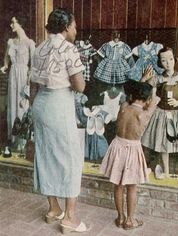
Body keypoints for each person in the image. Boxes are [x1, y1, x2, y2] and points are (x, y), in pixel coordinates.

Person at [30, 8, 90, 234]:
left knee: (45, 154)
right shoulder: (69, 49)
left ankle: (54, 209)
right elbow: (79, 86)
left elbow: (33, 85)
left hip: (40, 105)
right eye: (74, 26)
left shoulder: (39, 48)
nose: (75, 30)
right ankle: (70, 218)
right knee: (71, 158)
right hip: (59, 105)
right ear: (66, 27)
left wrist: (33, 110)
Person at [100, 79, 158, 230]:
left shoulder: (124, 107)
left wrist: (143, 81)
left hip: (117, 146)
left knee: (118, 185)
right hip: (132, 149)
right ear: (147, 100)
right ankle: (130, 220)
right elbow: (154, 99)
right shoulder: (144, 114)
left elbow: (132, 96)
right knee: (132, 187)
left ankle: (120, 217)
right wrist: (152, 86)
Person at [141, 47, 178, 183]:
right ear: (160, 63)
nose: (168, 63)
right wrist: (144, 80)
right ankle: (165, 171)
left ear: (175, 59)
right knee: (163, 144)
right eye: (164, 60)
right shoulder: (157, 79)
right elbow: (150, 96)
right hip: (161, 114)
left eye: (170, 59)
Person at [0, 15, 35, 146]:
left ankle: (22, 141)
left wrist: (28, 82)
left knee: (22, 105)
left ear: (21, 24)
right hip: (12, 75)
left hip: (23, 75)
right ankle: (13, 139)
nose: (11, 25)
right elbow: (6, 59)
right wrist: (4, 66)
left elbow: (33, 66)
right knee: (12, 104)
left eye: (13, 22)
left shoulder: (29, 43)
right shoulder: (10, 42)